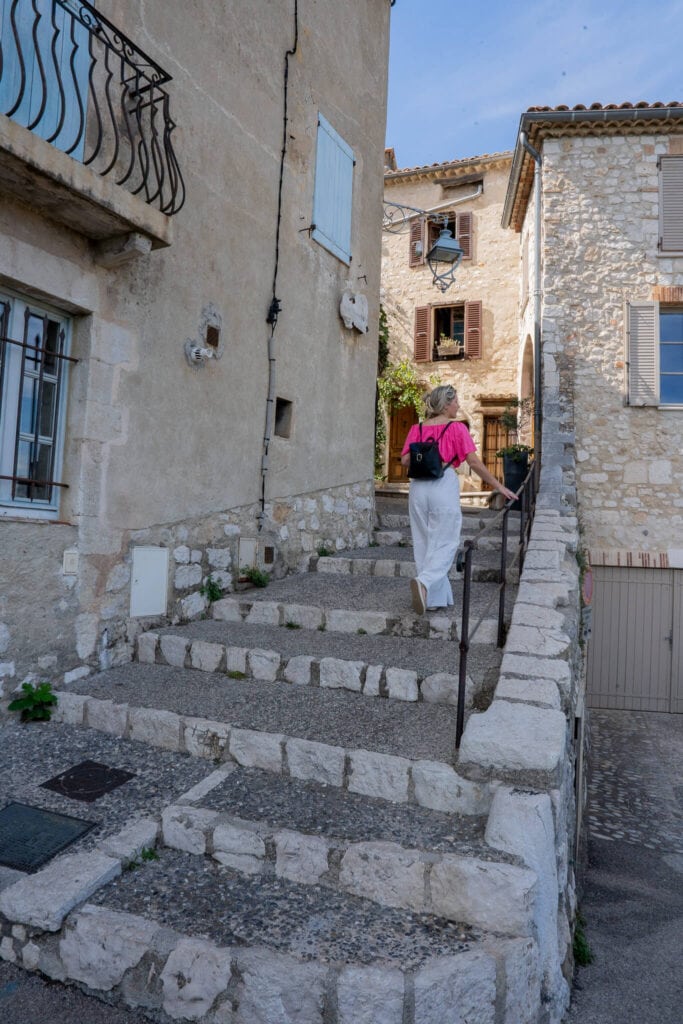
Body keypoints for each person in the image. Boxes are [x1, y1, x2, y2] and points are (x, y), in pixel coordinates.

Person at [400, 385, 517, 615]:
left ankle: (433, 599)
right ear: (446, 405)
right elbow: (474, 463)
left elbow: (405, 461)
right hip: (442, 486)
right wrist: (499, 486)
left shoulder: (417, 428)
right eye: (456, 403)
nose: (459, 406)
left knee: (424, 542)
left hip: (417, 489)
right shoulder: (456, 429)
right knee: (447, 541)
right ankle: (424, 582)